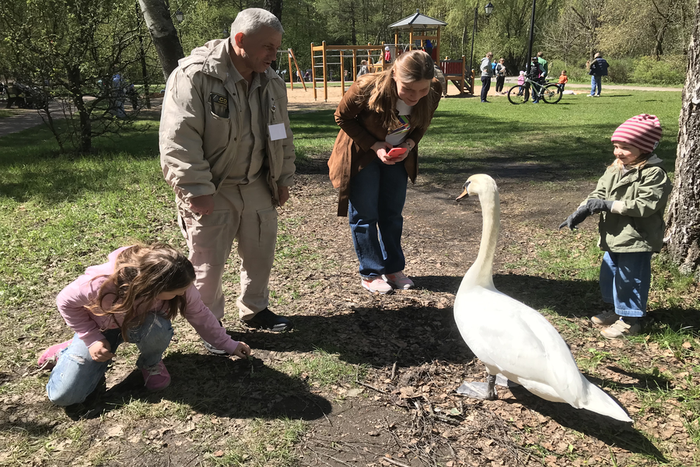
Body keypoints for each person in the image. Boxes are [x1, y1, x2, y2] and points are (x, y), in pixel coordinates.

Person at [159, 8, 296, 353]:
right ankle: (210, 323)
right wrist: (196, 190)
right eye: (266, 47)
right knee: (207, 262)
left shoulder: (272, 83)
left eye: (276, 48)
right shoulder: (194, 77)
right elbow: (179, 139)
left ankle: (255, 309)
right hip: (213, 188)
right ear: (239, 41)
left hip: (257, 185)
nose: (272, 55)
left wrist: (281, 177)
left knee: (260, 253)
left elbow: (282, 135)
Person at [37, 244, 252, 409]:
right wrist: (91, 338)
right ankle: (65, 352)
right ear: (154, 286)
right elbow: (65, 301)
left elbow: (200, 315)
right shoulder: (101, 284)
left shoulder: (179, 282)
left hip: (139, 324)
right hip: (99, 329)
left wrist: (228, 344)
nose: (182, 294)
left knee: (156, 328)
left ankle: (151, 363)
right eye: (176, 292)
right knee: (65, 397)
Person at [328, 50, 442, 294]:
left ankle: (393, 268)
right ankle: (370, 273)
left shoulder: (433, 90)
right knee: (365, 214)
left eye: (422, 90)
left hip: (398, 157)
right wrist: (376, 145)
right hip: (363, 155)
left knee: (392, 214)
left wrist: (409, 146)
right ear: (394, 77)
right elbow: (342, 117)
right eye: (409, 89)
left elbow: (423, 122)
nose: (416, 96)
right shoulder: (366, 87)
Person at [559, 114, 671, 339]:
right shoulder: (615, 168)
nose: (618, 152)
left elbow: (644, 205)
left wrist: (607, 205)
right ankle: (617, 309)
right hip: (614, 235)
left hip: (637, 237)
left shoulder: (653, 174)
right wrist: (583, 209)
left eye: (626, 147)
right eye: (616, 146)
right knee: (610, 274)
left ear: (645, 148)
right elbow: (598, 193)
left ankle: (631, 320)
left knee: (631, 278)